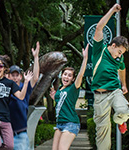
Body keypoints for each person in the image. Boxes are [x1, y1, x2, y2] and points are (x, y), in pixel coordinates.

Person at [91, 3, 129, 150]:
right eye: (119, 52)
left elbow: (122, 69)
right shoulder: (99, 50)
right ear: (113, 45)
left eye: (122, 54)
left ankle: (120, 121)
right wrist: (113, 10)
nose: (120, 56)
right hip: (99, 97)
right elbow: (99, 28)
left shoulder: (118, 59)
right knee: (102, 135)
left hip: (114, 91)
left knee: (124, 111)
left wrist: (124, 84)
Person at [0, 55, 33, 150]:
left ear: (5, 68)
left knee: (9, 146)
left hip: (5, 119)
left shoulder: (10, 83)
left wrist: (26, 82)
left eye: (0, 66)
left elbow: (21, 96)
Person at [50, 44, 89, 150]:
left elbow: (81, 74)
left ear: (72, 79)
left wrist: (85, 58)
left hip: (71, 123)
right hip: (59, 124)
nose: (66, 77)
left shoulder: (73, 88)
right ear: (61, 75)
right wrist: (55, 98)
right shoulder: (60, 89)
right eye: (65, 74)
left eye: (69, 75)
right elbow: (62, 103)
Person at [9, 42, 40, 150]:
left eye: (17, 75)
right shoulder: (5, 88)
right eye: (12, 75)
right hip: (6, 133)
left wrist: (36, 57)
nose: (15, 78)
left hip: (20, 133)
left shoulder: (24, 87)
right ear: (8, 77)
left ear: (21, 76)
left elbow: (35, 77)